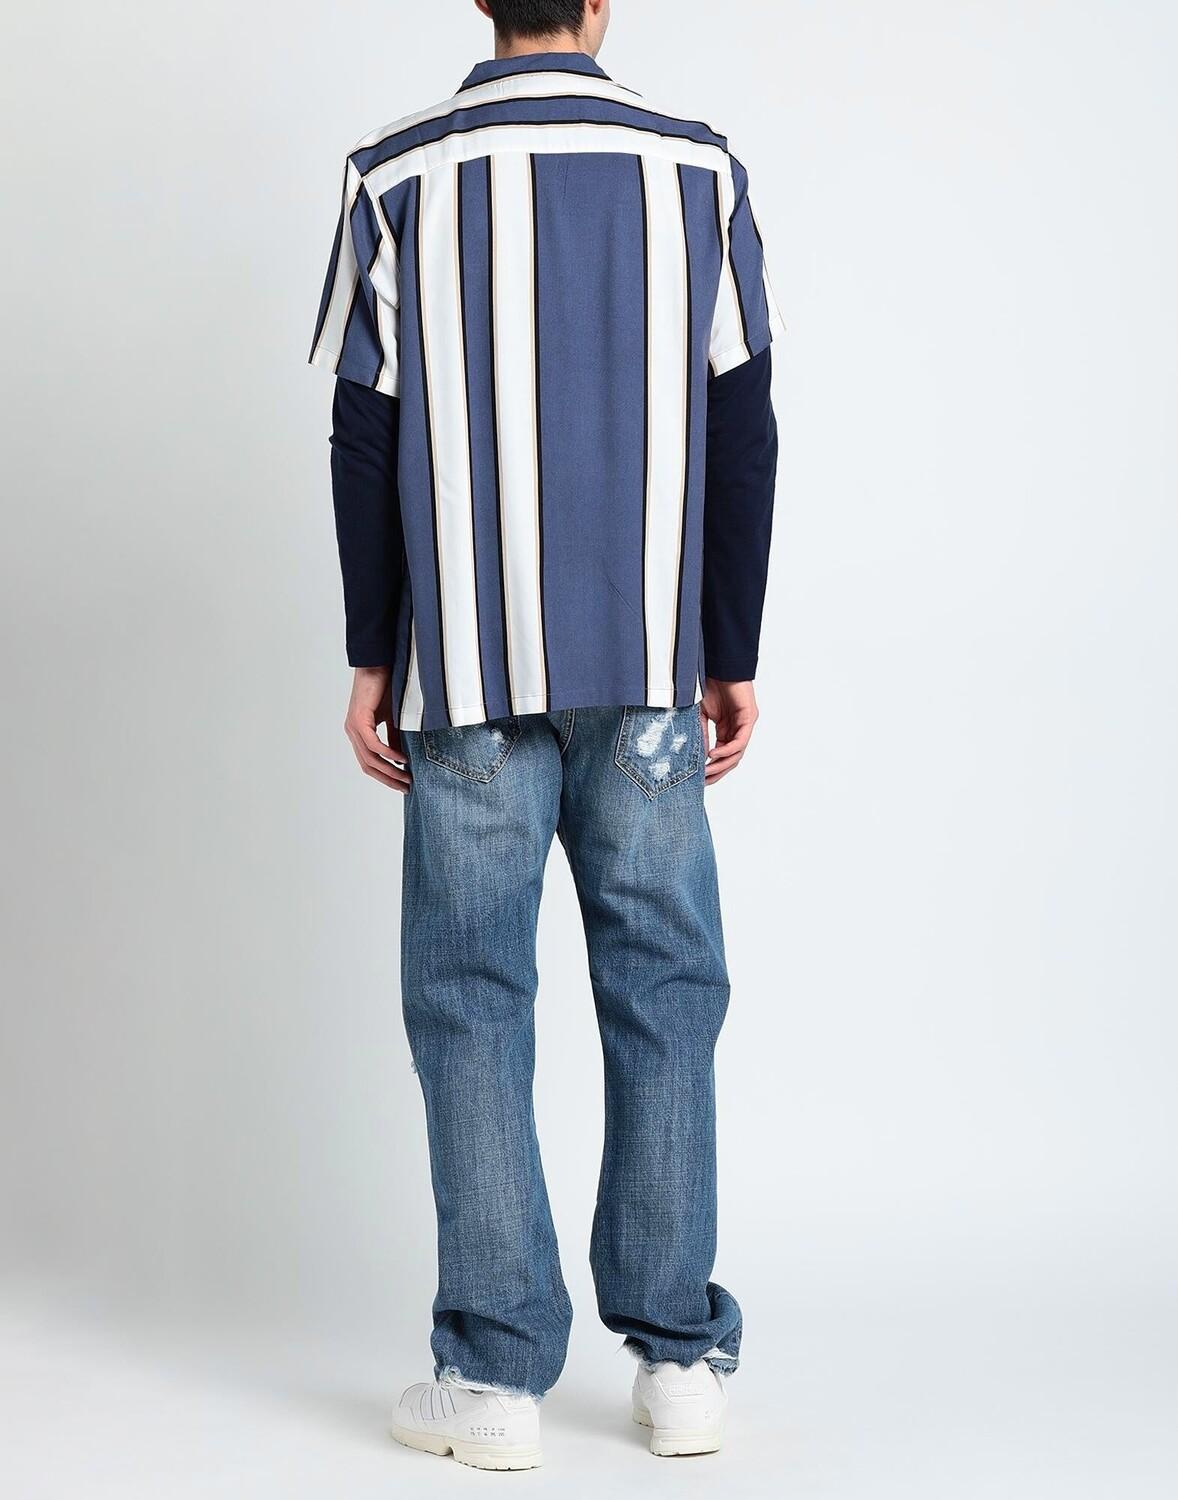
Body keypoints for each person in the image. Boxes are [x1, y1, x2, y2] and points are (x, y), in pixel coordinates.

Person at [310, 0, 782, 1470]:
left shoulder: (394, 174)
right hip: (646, 665)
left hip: (465, 666)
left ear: (480, 0)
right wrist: (729, 652)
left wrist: (373, 651)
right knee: (664, 990)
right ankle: (679, 1358)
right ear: (600, 2)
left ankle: (495, 1376)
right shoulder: (697, 168)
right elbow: (744, 423)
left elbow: (364, 434)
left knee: (470, 998)